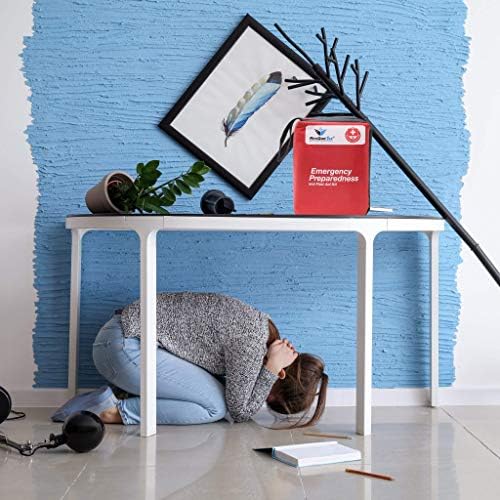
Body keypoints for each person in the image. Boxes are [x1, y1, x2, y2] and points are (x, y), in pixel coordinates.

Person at [52, 292, 328, 427]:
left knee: (216, 397)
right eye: (269, 396)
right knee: (215, 407)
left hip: (122, 342)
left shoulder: (258, 333)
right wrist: (269, 368)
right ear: (280, 374)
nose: (259, 397)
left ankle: (109, 398)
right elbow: (240, 411)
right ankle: (114, 411)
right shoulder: (252, 343)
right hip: (124, 346)